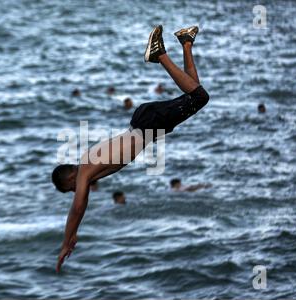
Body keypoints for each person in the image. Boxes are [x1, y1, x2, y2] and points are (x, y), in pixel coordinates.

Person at [52, 25, 209, 272]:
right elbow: (79, 207)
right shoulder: (88, 165)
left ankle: (159, 55)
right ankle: (186, 42)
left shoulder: (83, 171)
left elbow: (78, 208)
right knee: (193, 92)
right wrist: (72, 236)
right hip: (146, 124)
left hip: (147, 125)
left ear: (70, 177)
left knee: (199, 97)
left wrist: (65, 241)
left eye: (69, 189)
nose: (75, 192)